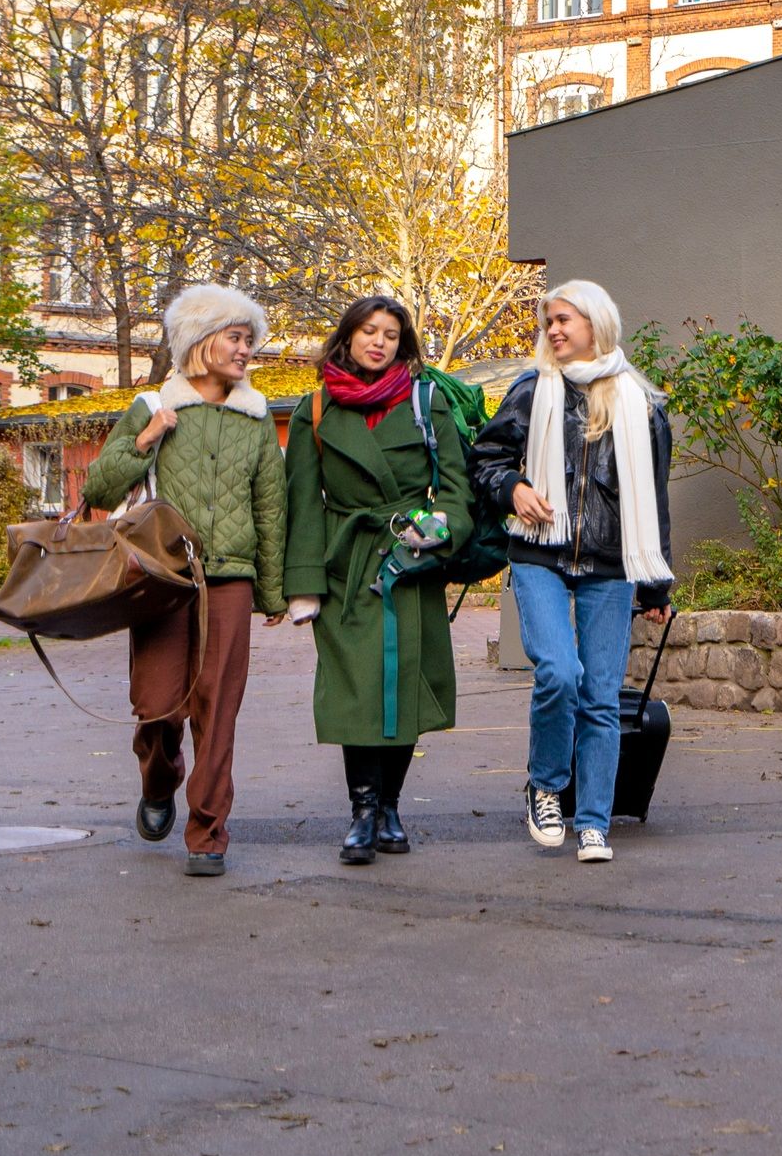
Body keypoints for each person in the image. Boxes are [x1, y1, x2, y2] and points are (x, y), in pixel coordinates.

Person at [83, 283, 288, 877]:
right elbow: (97, 489)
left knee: (217, 710)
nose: (246, 349)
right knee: (156, 708)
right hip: (161, 581)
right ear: (200, 342)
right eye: (235, 337)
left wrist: (272, 592)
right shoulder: (152, 408)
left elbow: (271, 511)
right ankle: (160, 777)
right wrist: (146, 442)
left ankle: (208, 832)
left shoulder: (255, 421)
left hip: (230, 581)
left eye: (250, 339)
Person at [471, 281, 672, 864]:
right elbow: (486, 459)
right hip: (539, 555)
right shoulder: (532, 391)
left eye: (565, 320)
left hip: (611, 565)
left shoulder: (642, 403)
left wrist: (657, 582)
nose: (554, 330)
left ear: (596, 324)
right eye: (549, 321)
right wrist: (514, 489)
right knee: (559, 671)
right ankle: (546, 786)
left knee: (601, 695)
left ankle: (593, 823)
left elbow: (654, 499)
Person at [283, 296, 476, 866]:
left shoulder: (427, 400)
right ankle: (362, 811)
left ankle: (389, 806)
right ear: (347, 337)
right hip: (347, 563)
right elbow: (302, 504)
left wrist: (444, 525)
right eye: (369, 331)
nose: (379, 342)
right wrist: (303, 584)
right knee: (357, 688)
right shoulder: (314, 409)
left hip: (409, 558)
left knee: (403, 684)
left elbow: (459, 486)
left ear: (402, 344)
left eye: (391, 335)